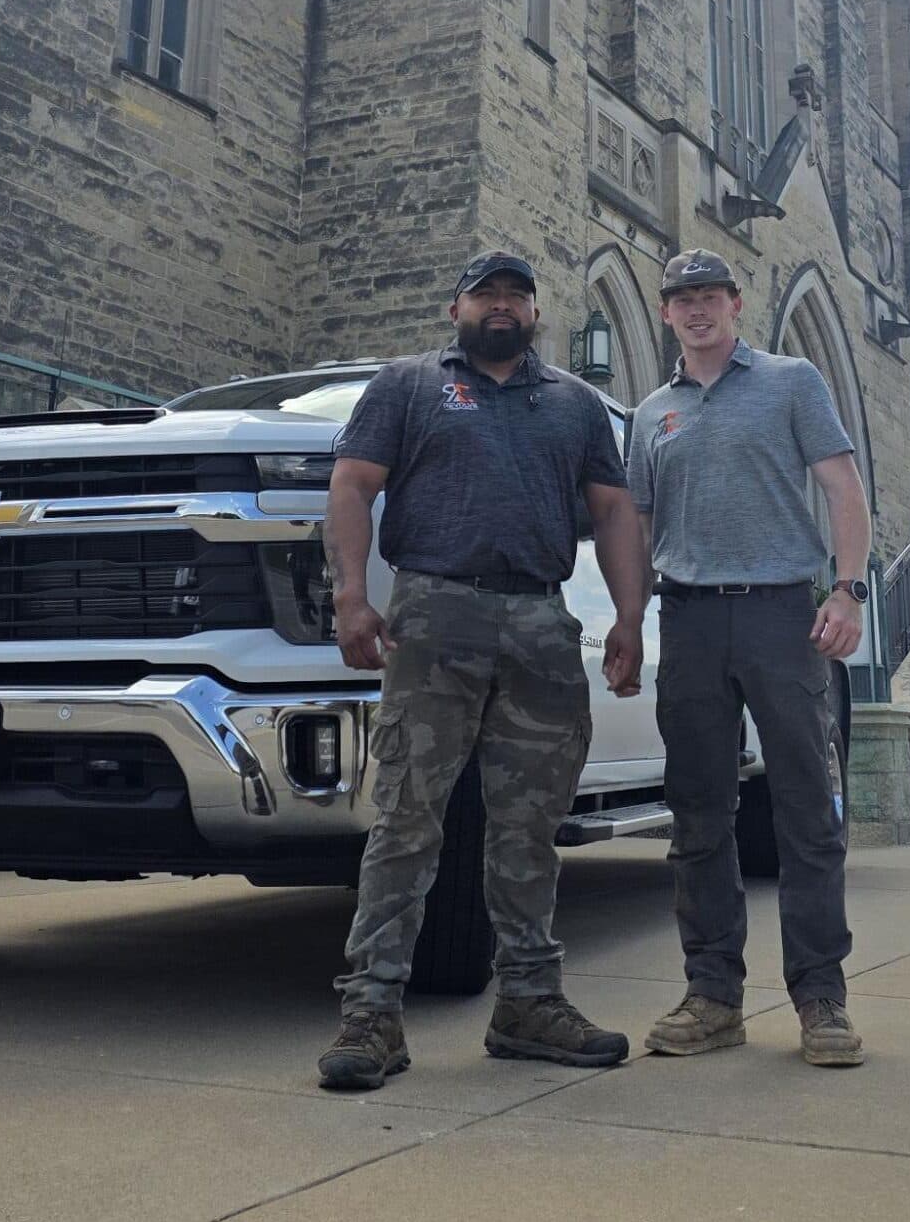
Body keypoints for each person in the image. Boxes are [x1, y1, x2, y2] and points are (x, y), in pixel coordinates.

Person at [317, 251, 647, 1091]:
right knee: (407, 819)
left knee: (530, 825)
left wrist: (630, 616)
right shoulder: (408, 384)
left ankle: (528, 1002)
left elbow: (613, 510)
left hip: (540, 622)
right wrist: (351, 596)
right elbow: (351, 485)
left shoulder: (573, 403)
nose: (501, 305)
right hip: (434, 615)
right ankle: (372, 1012)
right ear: (455, 307)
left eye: (516, 295)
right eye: (485, 293)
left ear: (535, 312)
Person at [629, 249, 873, 1067]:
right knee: (699, 813)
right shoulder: (651, 414)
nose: (697, 310)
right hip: (688, 620)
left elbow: (842, 486)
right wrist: (628, 620)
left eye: (710, 295)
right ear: (666, 312)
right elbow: (637, 525)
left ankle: (821, 996)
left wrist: (848, 591)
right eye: (682, 299)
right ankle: (712, 996)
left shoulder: (791, 381)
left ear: (736, 303)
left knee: (805, 809)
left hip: (780, 614)